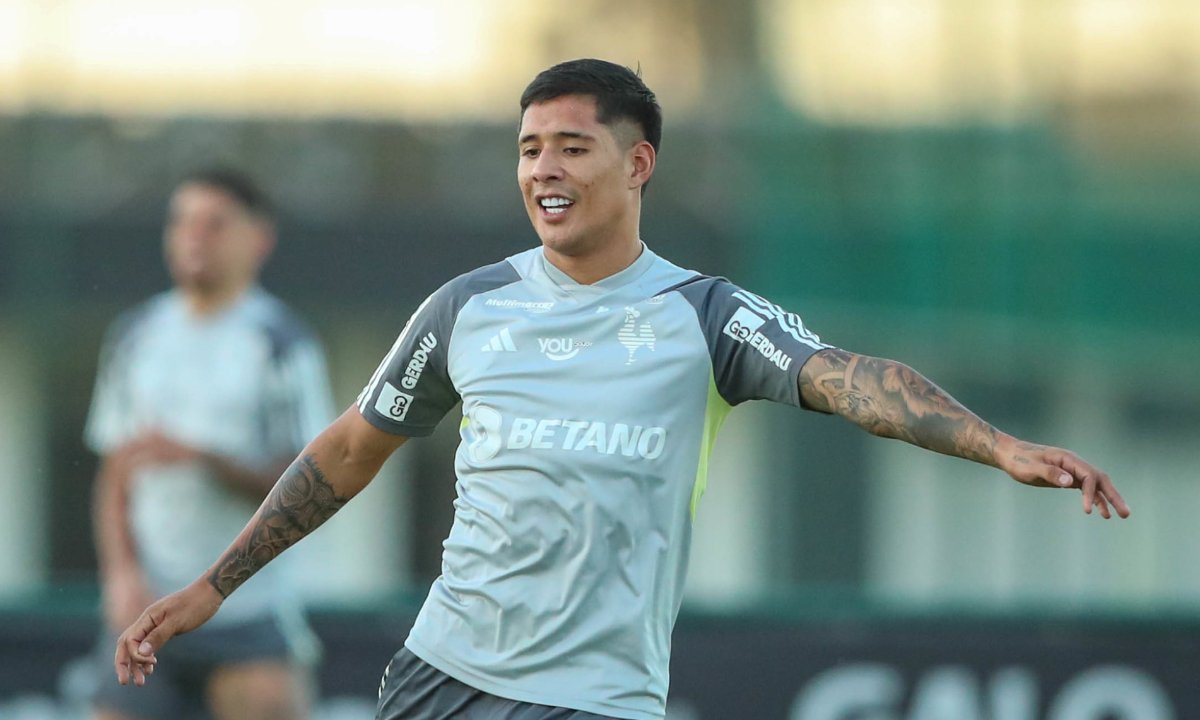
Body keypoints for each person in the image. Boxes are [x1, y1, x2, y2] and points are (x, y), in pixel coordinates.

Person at [112, 61, 1129, 720]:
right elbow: (345, 452)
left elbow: (852, 380)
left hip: (599, 701)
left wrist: (998, 446)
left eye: (572, 146)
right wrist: (212, 585)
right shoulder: (469, 308)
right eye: (528, 149)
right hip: (442, 680)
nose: (544, 170)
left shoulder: (707, 316)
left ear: (637, 163)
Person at [88, 167, 334, 720]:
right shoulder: (134, 334)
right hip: (145, 612)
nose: (194, 236)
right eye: (183, 222)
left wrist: (205, 459)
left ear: (259, 239)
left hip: (246, 614)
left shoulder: (280, 341)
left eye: (215, 224)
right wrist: (122, 573)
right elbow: (115, 472)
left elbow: (312, 486)